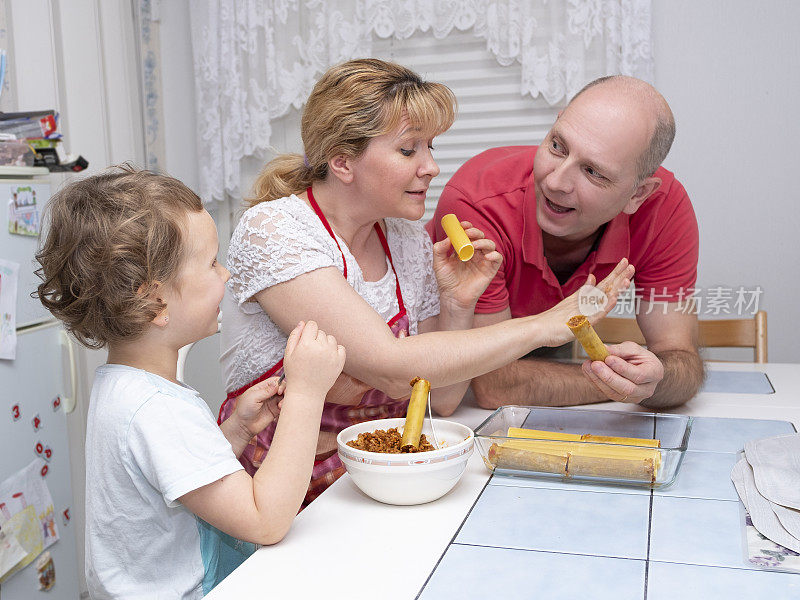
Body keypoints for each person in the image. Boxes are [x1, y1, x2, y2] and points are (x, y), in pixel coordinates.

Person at [220, 58, 635, 505]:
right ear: (342, 162)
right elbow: (391, 367)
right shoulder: (276, 231)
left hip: (385, 471)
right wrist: (545, 325)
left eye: (431, 148)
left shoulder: (403, 236)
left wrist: (457, 304)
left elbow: (445, 398)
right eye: (408, 150)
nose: (432, 167)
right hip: (280, 487)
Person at [35, 167, 346, 598]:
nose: (226, 276)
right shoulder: (158, 407)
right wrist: (308, 395)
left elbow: (178, 481)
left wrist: (234, 432)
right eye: (212, 263)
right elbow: (266, 520)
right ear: (155, 300)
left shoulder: (124, 385)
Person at [428, 75, 704, 410]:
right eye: (558, 146)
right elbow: (495, 385)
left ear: (639, 194)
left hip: (545, 359)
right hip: (435, 381)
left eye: (592, 172)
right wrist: (618, 384)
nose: (555, 182)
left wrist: (657, 380)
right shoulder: (478, 202)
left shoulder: (666, 208)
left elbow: (681, 359)